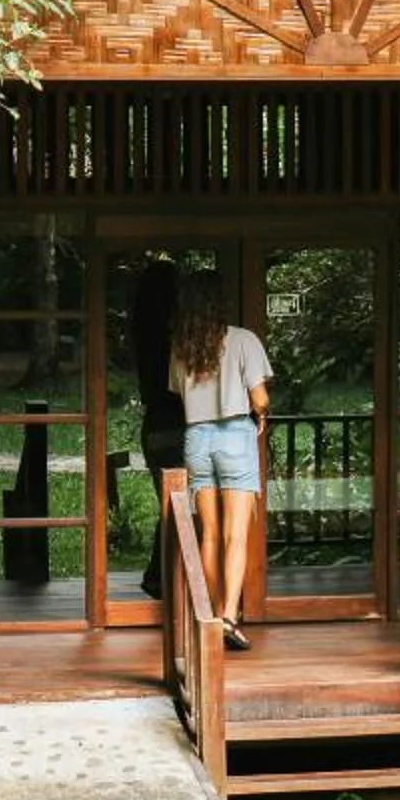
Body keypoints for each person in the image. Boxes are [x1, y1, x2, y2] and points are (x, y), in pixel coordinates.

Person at [169, 286, 269, 652]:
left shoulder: (182, 347)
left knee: (208, 534)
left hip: (197, 437)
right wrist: (262, 414)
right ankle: (228, 617)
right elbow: (259, 398)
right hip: (234, 435)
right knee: (235, 535)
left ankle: (211, 618)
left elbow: (180, 394)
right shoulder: (243, 339)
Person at [128, 257, 182, 597]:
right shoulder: (174, 337)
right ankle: (161, 577)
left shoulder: (142, 332)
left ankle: (161, 576)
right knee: (181, 507)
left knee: (172, 505)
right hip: (178, 424)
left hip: (156, 426)